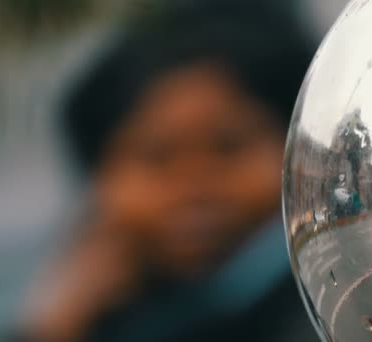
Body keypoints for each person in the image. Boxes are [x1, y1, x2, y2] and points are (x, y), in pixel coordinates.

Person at [20, 1, 320, 341]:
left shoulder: (333, 311)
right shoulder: (84, 318)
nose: (194, 185)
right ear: (99, 178)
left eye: (229, 147)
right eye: (155, 157)